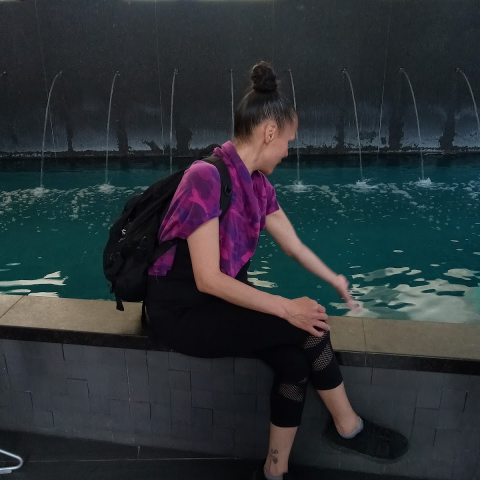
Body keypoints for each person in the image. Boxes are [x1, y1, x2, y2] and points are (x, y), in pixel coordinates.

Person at [145, 61, 408, 480]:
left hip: (218, 303)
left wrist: (334, 279)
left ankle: (274, 471)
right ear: (269, 133)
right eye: (288, 140)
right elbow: (207, 279)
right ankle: (348, 428)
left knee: (294, 363)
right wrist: (287, 308)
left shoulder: (257, 185)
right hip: (182, 311)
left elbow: (293, 246)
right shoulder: (205, 178)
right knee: (310, 327)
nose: (288, 151)